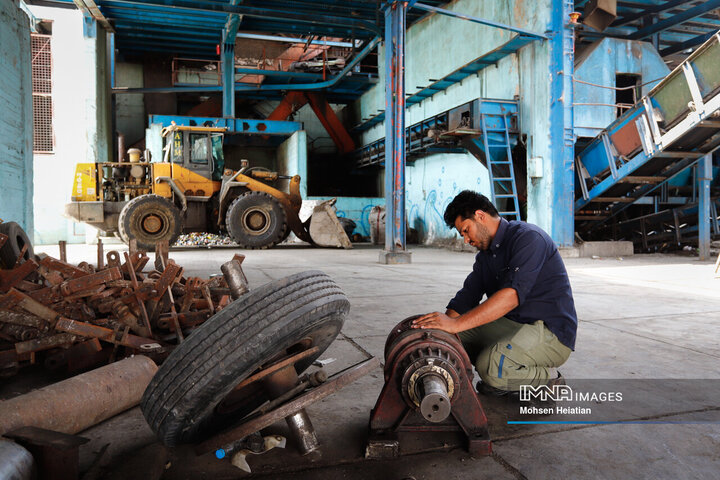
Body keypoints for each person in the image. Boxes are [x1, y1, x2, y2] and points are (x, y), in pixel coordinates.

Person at [412, 190, 577, 395]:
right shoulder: (486, 255)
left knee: (491, 369)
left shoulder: (529, 239)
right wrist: (440, 330)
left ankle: (549, 379)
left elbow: (510, 297)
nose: (466, 240)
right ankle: (508, 372)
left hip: (550, 332)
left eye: (466, 230)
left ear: (480, 216)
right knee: (454, 338)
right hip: (513, 324)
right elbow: (466, 297)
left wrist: (455, 324)